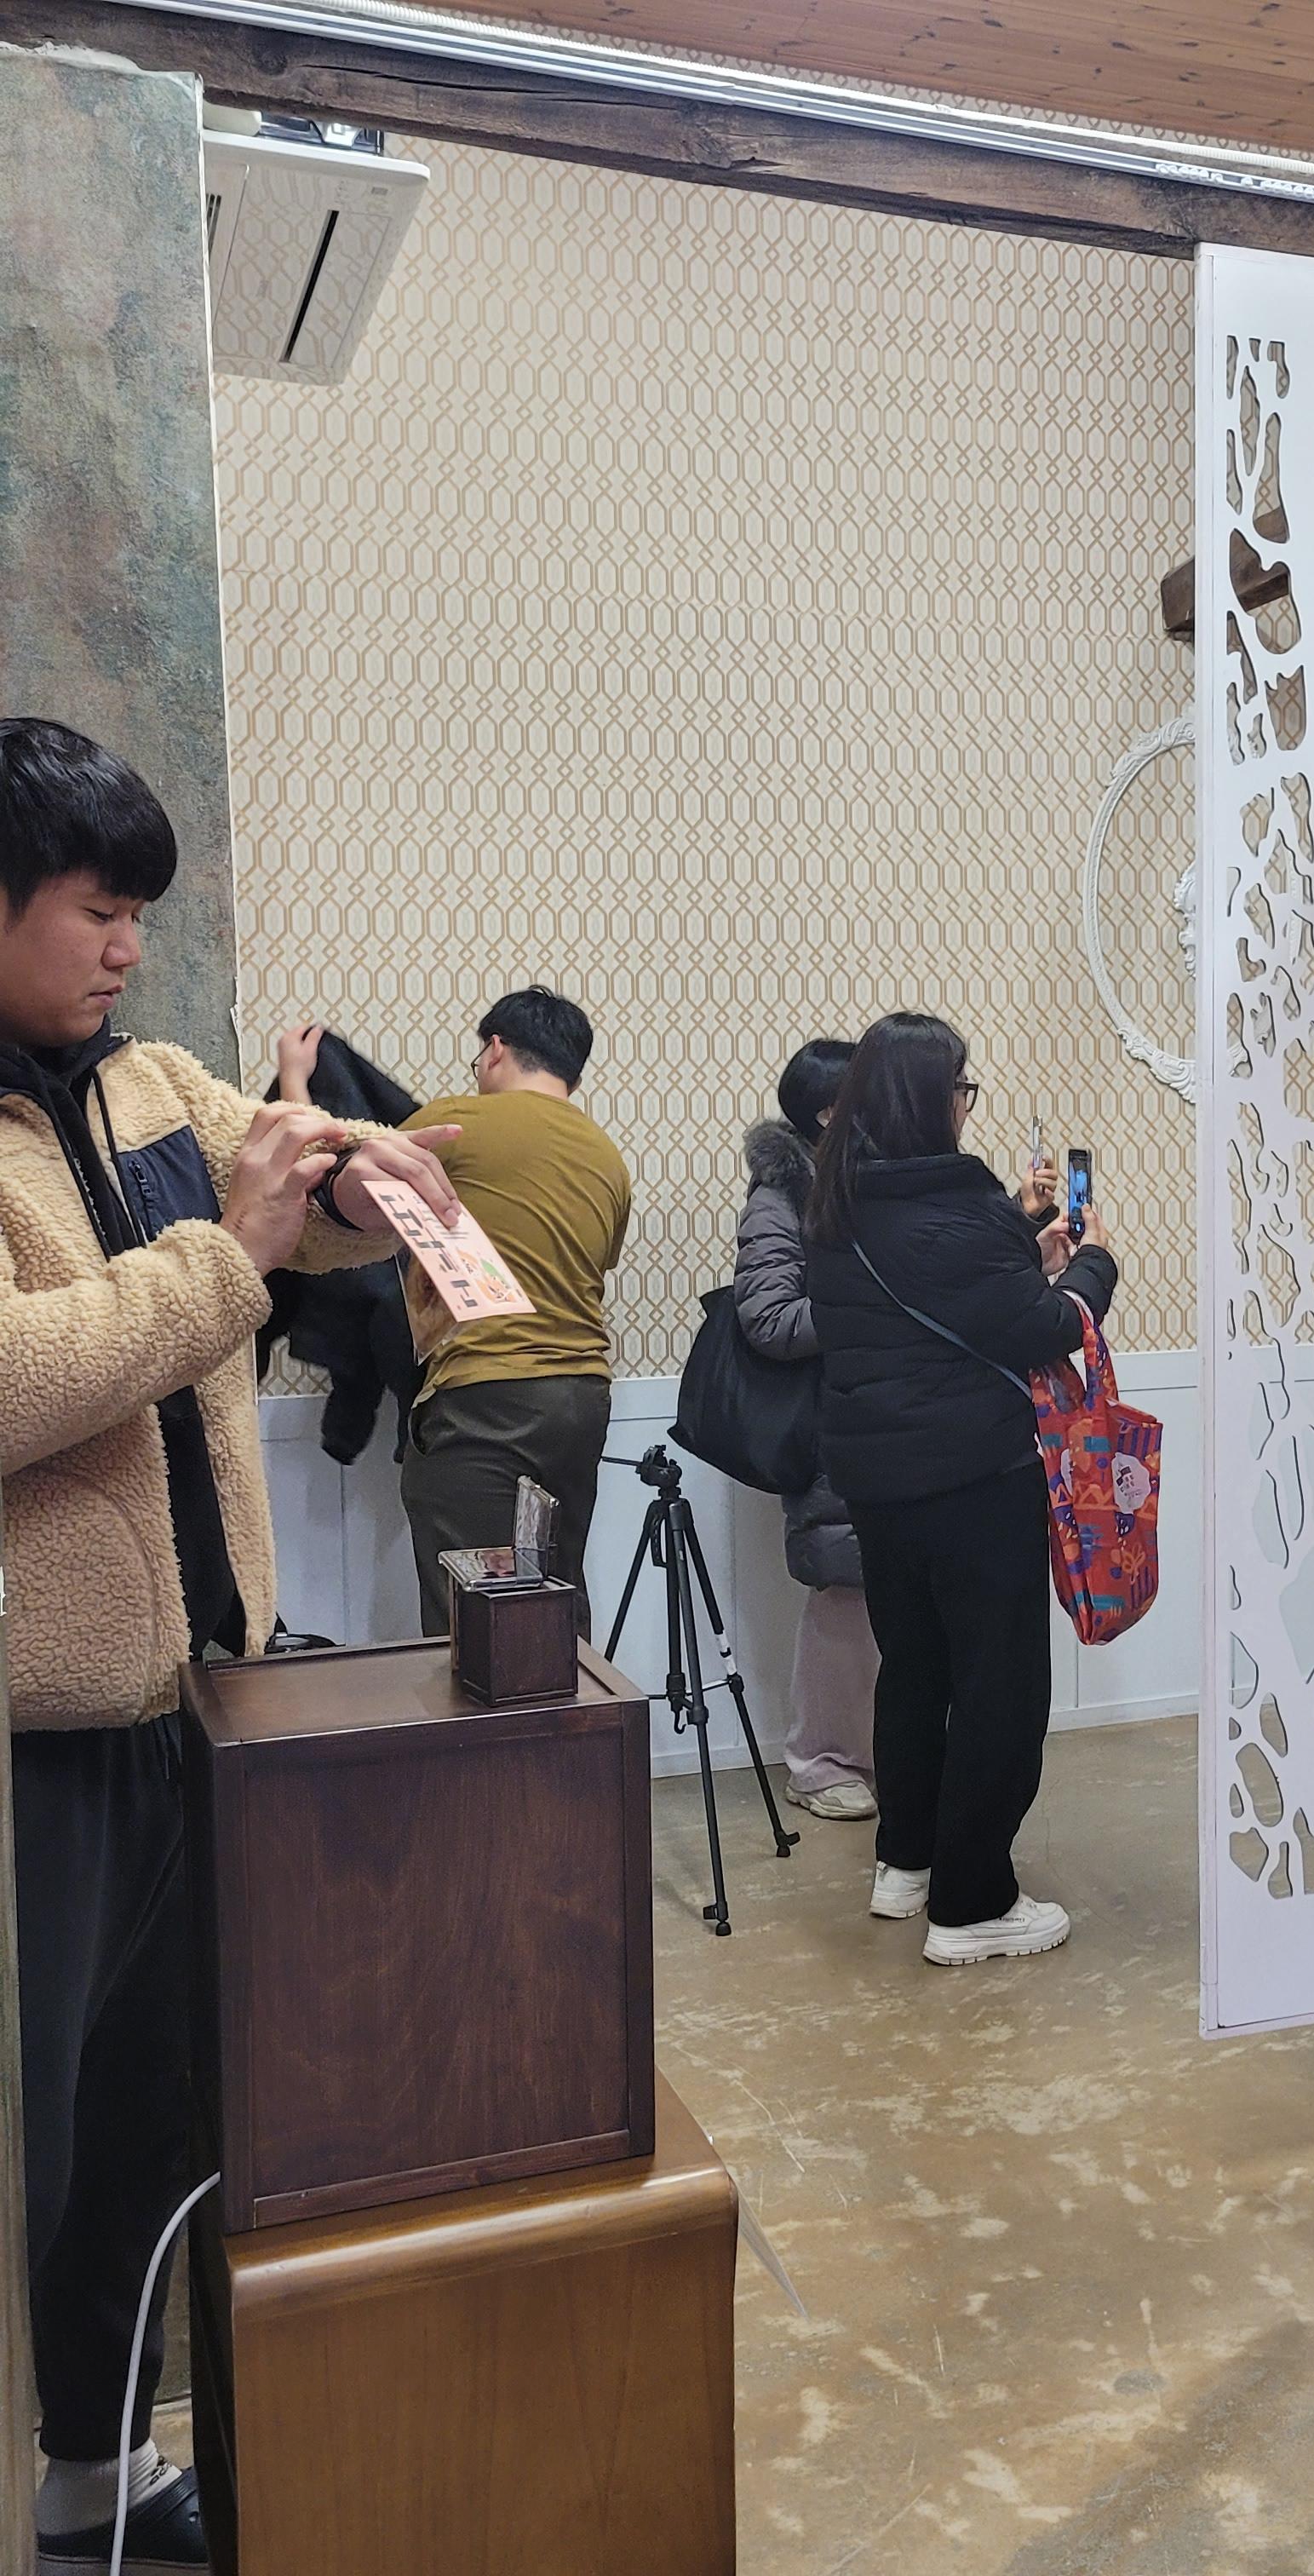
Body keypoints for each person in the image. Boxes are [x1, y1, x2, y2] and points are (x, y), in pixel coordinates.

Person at [0, 718, 462, 2573]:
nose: (128, 947)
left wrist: (357, 1186)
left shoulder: (144, 1086)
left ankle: (104, 2478)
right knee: (33, 2161)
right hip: (36, 1743)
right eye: (96, 909)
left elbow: (279, 1196)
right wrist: (234, 1252)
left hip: (202, 1697)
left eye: (140, 913)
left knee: (157, 2124)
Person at [806, 1012, 1112, 1964]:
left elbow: (950, 1294)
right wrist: (1092, 1265)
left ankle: (907, 1861)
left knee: (915, 1667)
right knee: (999, 1685)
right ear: (932, 1101)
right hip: (974, 1479)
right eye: (962, 1089)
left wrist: (1022, 1251)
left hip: (876, 1482)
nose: (968, 1106)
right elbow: (1042, 1327)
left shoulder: (838, 1204)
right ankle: (974, 1903)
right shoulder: (958, 1203)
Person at [284, 987, 630, 1633]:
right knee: (553, 1604)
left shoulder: (456, 1125)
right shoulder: (607, 1157)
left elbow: (322, 1187)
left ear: (495, 1050)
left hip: (484, 1398)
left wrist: (297, 1080)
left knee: (471, 1624)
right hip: (581, 1400)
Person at [735, 1039, 881, 1821]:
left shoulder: (876, 1183)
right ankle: (820, 1763)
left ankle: (884, 1755)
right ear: (829, 1111)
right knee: (845, 1598)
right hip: (833, 1429)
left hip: (892, 1420)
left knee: (894, 1599)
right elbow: (769, 1317)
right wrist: (871, 1309)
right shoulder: (781, 1197)